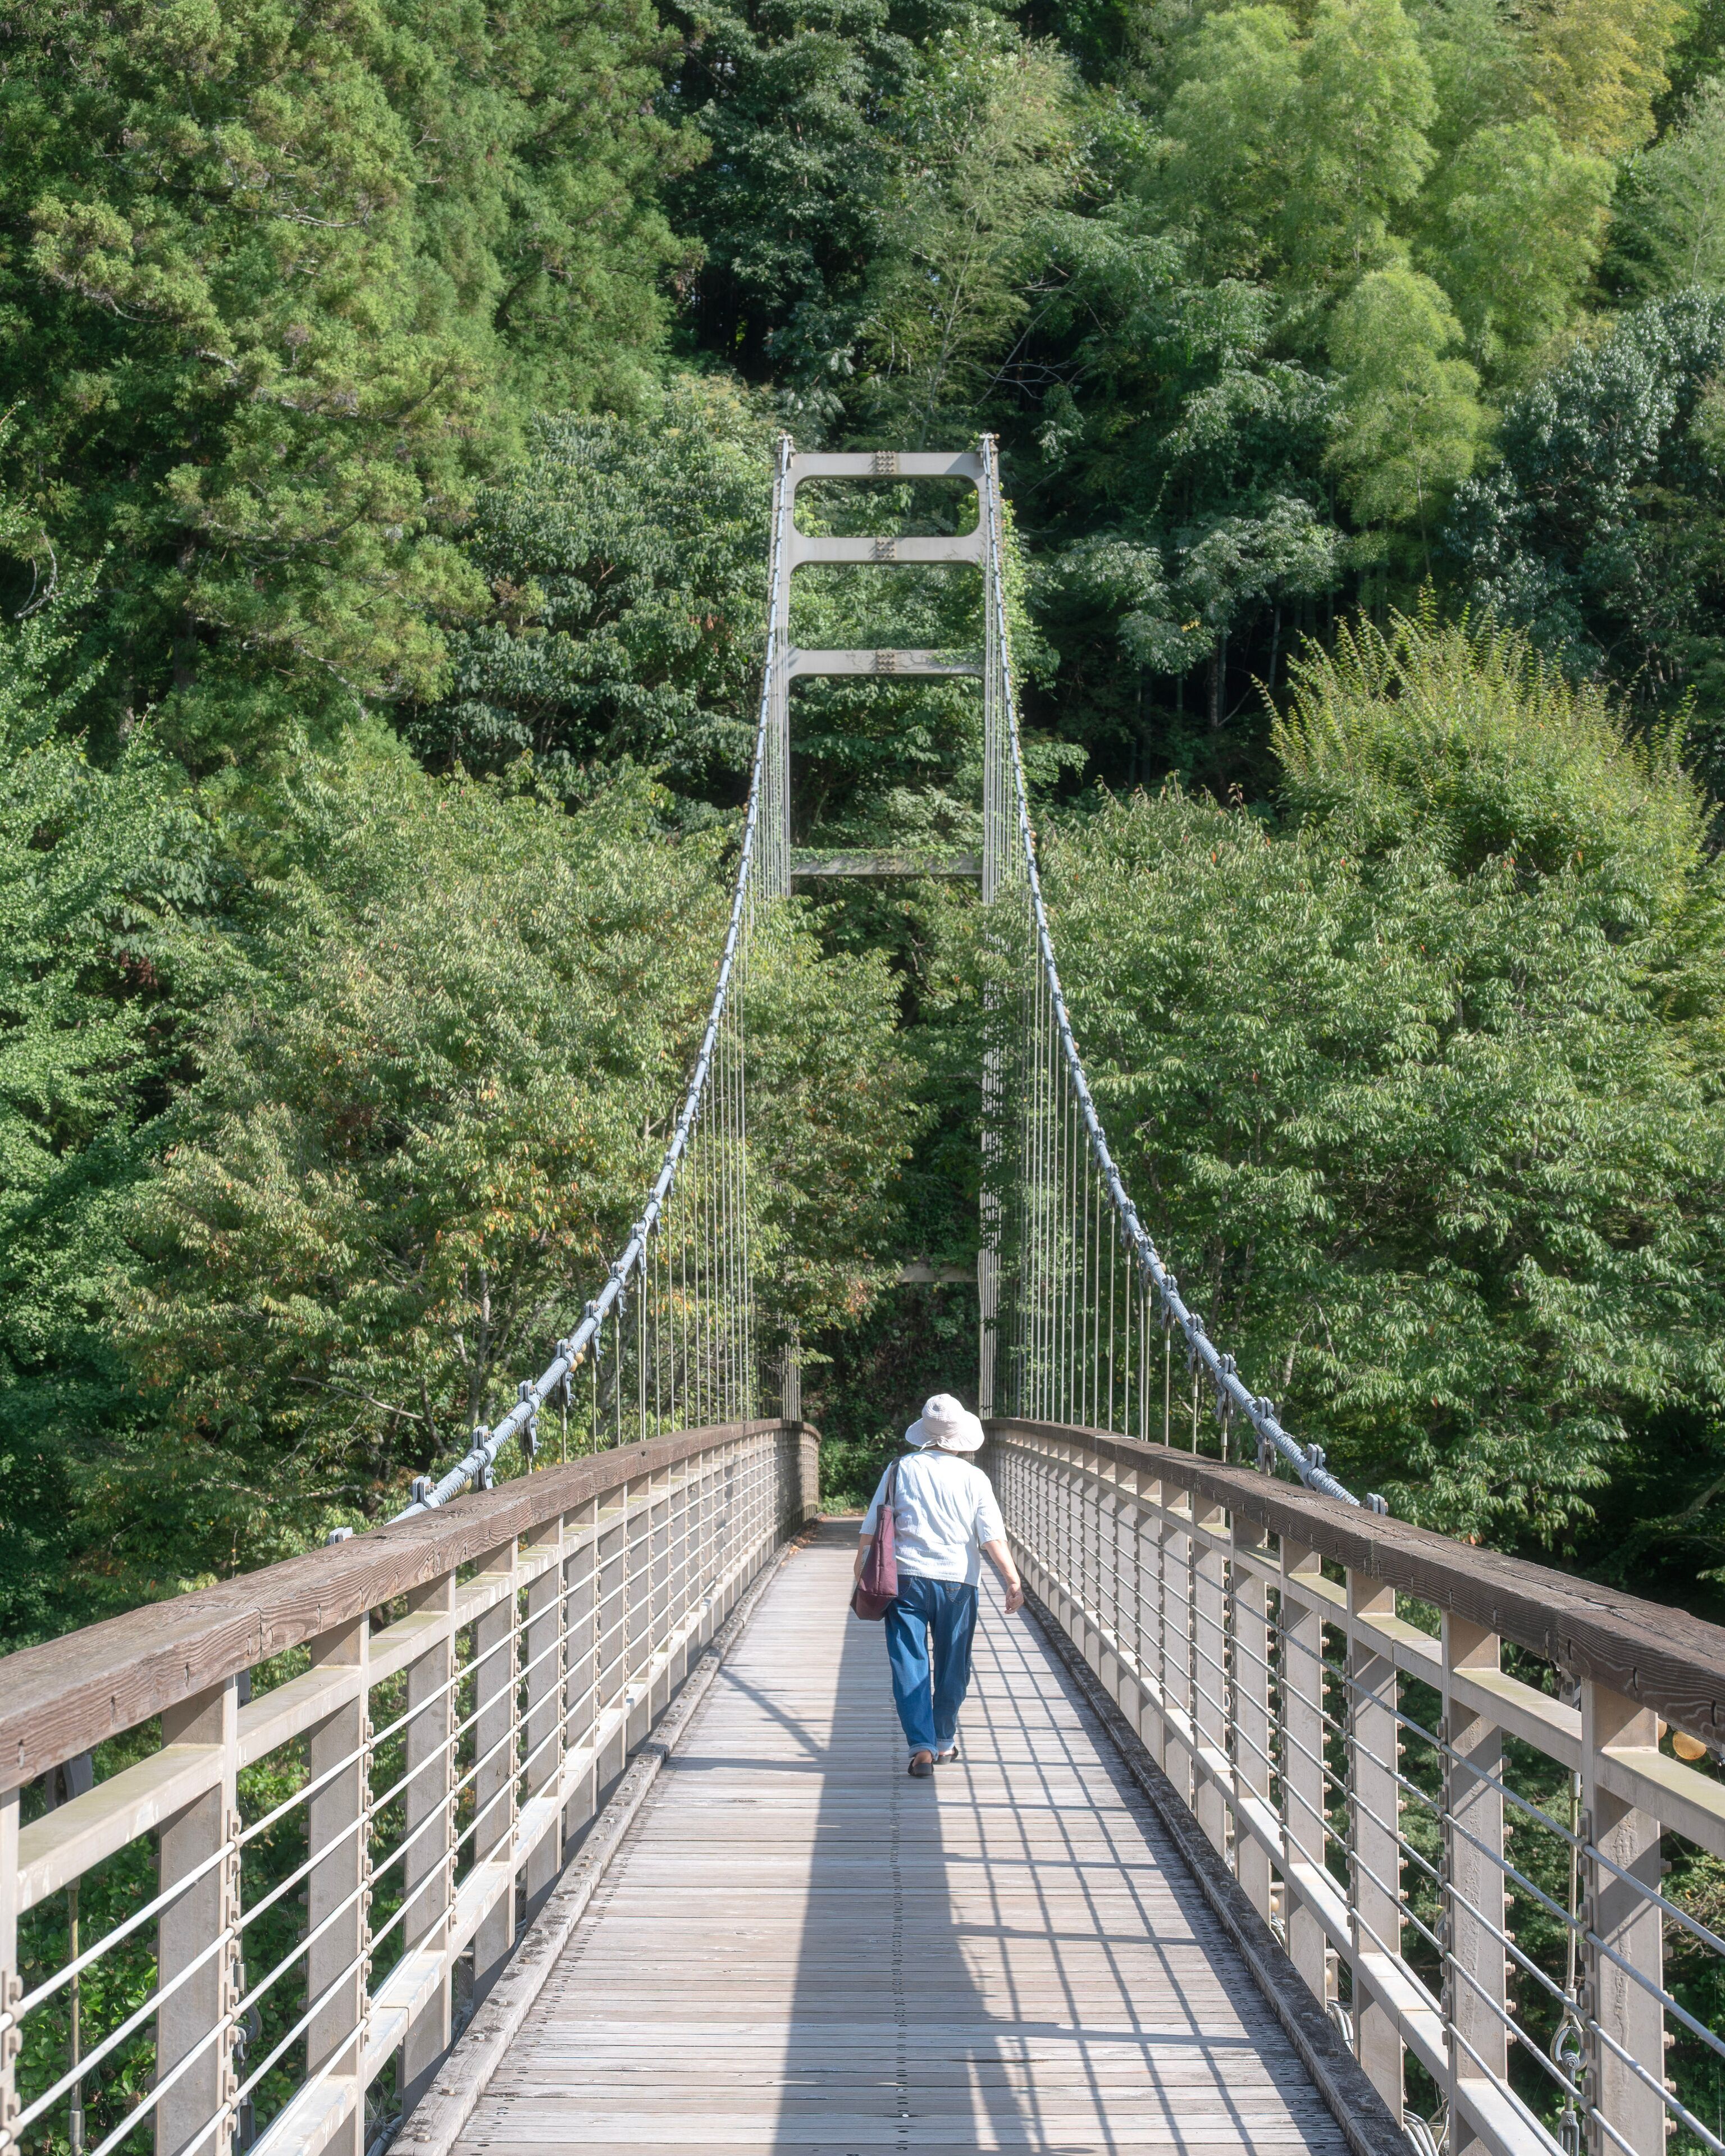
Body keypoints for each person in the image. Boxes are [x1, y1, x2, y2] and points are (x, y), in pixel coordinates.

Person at [854, 1392, 1025, 1778]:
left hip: (906, 1579)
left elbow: (873, 1525)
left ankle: (922, 1747)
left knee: (909, 1663)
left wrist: (862, 1561)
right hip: (957, 1583)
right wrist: (1012, 1581)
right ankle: (944, 1738)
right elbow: (992, 1537)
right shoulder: (974, 1478)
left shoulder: (900, 1468)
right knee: (953, 1665)